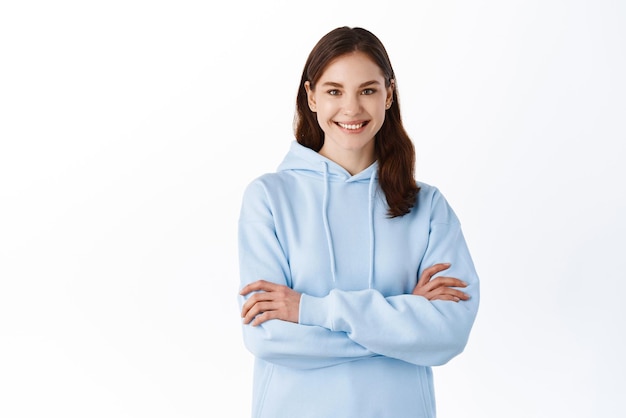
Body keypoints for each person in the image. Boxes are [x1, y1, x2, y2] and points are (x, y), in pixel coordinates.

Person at [237, 26, 480, 418]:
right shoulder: (269, 197)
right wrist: (402, 325)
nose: (351, 108)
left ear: (389, 93)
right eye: (334, 91)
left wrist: (309, 311)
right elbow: (267, 336)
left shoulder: (427, 205)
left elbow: (449, 333)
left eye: (367, 90)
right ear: (311, 96)